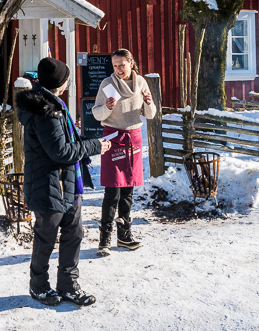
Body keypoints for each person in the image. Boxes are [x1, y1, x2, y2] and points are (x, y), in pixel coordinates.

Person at [16, 57, 110, 307]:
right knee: (46, 238)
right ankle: (39, 286)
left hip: (67, 183)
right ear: (62, 83)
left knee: (74, 233)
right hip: (49, 185)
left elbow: (64, 143)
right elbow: (61, 152)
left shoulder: (54, 106)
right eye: (67, 78)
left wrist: (81, 139)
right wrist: (94, 146)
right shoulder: (46, 111)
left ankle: (68, 285)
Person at [92, 48, 157, 256]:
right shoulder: (107, 84)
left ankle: (124, 236)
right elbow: (96, 113)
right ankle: (104, 240)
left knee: (128, 190)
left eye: (122, 64)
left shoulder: (141, 84)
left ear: (131, 63)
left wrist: (148, 103)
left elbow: (150, 114)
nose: (118, 69)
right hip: (113, 139)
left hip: (134, 138)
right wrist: (108, 107)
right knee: (112, 191)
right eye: (115, 65)